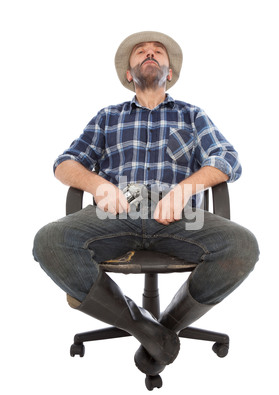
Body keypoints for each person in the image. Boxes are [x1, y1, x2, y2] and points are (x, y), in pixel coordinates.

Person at [33, 31, 259, 375]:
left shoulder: (191, 115)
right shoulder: (108, 117)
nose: (149, 54)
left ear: (169, 72)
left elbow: (227, 158)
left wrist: (185, 188)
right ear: (129, 74)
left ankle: (165, 327)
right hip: (115, 214)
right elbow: (65, 163)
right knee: (49, 241)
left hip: (178, 215)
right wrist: (98, 185)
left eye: (157, 52)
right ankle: (146, 329)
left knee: (242, 246)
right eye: (141, 52)